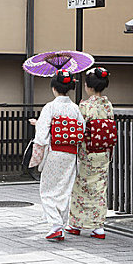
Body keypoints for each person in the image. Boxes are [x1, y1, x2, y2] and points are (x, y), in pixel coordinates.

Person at [29, 69, 85, 241]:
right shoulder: (75, 108)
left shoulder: (50, 107)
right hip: (70, 155)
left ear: (54, 88)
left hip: (54, 153)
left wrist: (38, 126)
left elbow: (42, 135)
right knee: (65, 189)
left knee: (47, 189)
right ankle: (61, 222)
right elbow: (81, 130)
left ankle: (55, 225)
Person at [66, 67, 113, 239]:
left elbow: (80, 130)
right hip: (103, 151)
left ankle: (76, 224)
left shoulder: (85, 105)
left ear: (88, 86)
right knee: (99, 188)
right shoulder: (108, 105)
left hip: (88, 152)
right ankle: (98, 227)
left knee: (81, 187)